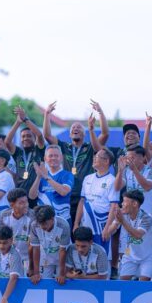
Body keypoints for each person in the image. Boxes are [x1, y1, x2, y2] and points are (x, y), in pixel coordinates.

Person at [43, 100, 109, 228]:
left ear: (84, 133)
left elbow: (105, 134)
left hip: (85, 196)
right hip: (65, 196)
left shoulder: (90, 147)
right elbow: (47, 135)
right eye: (73, 128)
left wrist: (100, 112)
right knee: (65, 229)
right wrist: (47, 114)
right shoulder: (63, 147)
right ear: (70, 134)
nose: (76, 128)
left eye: (79, 127)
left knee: (81, 231)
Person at [74, 148, 119, 255]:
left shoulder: (112, 180)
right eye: (94, 156)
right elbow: (82, 201)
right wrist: (76, 223)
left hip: (100, 228)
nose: (94, 158)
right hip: (85, 227)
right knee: (84, 257)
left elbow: (114, 206)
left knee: (101, 257)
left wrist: (107, 228)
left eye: (97, 157)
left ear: (106, 161)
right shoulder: (87, 178)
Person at [104, 190, 152, 281]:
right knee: (123, 282)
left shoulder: (147, 217)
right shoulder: (123, 215)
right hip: (130, 255)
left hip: (147, 256)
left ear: (134, 204)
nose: (122, 204)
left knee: (144, 284)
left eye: (124, 201)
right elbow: (109, 232)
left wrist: (122, 221)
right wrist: (116, 221)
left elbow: (138, 235)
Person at [4, 105, 46, 199]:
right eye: (23, 136)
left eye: (29, 136)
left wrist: (25, 119)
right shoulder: (18, 152)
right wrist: (18, 122)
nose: (25, 138)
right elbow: (7, 142)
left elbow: (39, 135)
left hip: (36, 195)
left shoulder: (39, 150)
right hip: (19, 195)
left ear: (34, 139)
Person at [29, 146, 74, 225]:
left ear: (61, 158)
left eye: (56, 156)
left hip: (61, 220)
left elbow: (63, 192)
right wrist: (39, 176)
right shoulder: (41, 175)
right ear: (45, 158)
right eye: (50, 156)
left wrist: (46, 177)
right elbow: (32, 196)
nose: (53, 158)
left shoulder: (67, 175)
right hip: (43, 220)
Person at [29, 205, 71, 284]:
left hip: (62, 258)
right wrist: (36, 272)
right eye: (40, 224)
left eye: (45, 223)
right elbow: (36, 249)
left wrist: (62, 274)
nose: (42, 227)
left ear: (52, 219)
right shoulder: (34, 225)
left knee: (61, 281)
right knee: (43, 282)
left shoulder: (64, 225)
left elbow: (62, 251)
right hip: (46, 257)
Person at [0, 188, 34, 274]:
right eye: (21, 203)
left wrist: (31, 265)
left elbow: (33, 243)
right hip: (10, 257)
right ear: (12, 205)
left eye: (26, 201)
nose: (26, 205)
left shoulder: (32, 216)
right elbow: (2, 240)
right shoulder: (4, 216)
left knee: (25, 279)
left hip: (28, 258)